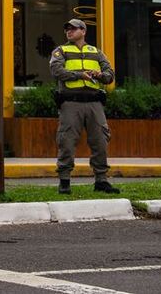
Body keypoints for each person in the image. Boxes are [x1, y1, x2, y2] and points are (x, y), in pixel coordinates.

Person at [50, 18, 120, 194]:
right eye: (67, 29)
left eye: (73, 29)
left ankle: (101, 181)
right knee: (66, 140)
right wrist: (79, 75)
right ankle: (64, 181)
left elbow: (110, 74)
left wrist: (100, 75)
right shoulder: (61, 51)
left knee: (100, 141)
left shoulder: (96, 52)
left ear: (83, 31)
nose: (69, 32)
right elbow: (57, 71)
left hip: (94, 103)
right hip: (70, 103)